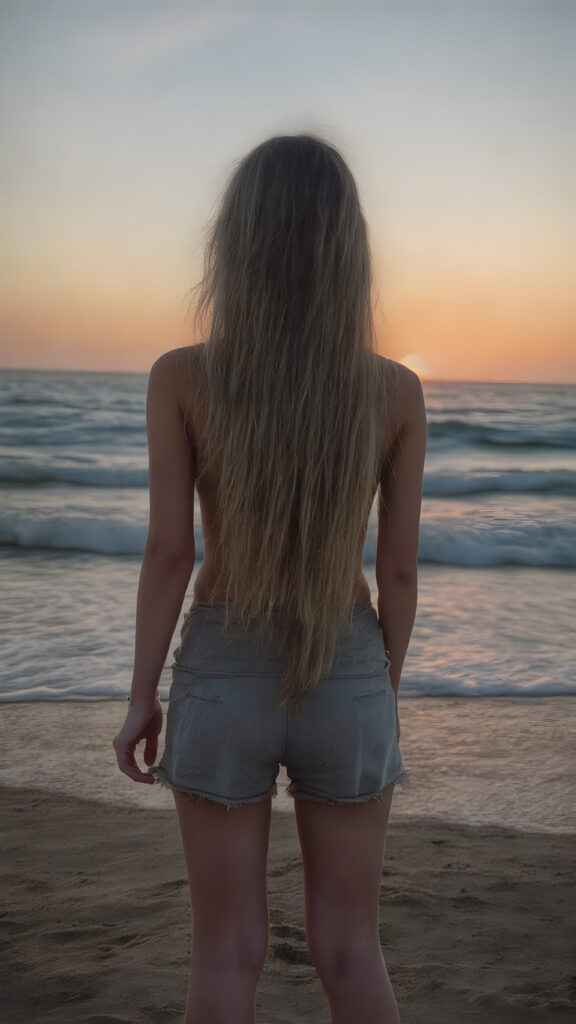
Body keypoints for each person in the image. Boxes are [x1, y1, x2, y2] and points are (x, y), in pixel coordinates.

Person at [113, 134, 426, 1024]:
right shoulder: (394, 391)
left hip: (222, 669)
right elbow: (398, 570)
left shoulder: (183, 377)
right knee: (348, 949)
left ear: (235, 242)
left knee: (226, 952)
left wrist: (143, 695)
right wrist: (379, 685)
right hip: (349, 661)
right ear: (348, 248)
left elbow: (170, 552)